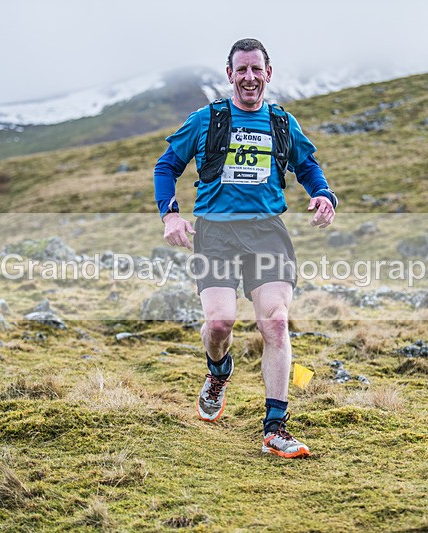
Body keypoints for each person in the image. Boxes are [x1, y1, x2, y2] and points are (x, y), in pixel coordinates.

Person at [153, 38, 338, 458]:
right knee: (219, 324)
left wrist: (323, 193)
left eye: (257, 69)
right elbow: (166, 165)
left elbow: (307, 164)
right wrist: (170, 214)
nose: (250, 77)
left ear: (268, 74)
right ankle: (219, 372)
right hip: (215, 234)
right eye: (242, 70)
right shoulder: (207, 120)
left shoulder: (281, 123)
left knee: (274, 323)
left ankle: (275, 427)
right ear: (230, 74)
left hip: (267, 232)